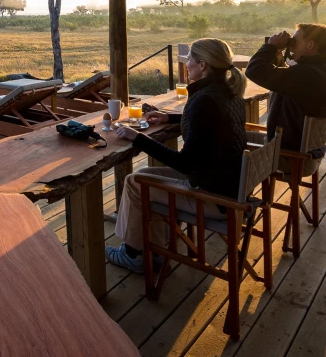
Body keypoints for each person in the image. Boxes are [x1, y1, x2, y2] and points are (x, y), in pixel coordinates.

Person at [106, 38, 247, 274]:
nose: (186, 63)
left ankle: (133, 254)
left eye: (189, 59)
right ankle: (153, 251)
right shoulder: (229, 92)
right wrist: (169, 117)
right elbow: (208, 123)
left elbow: (184, 163)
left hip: (213, 197)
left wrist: (137, 138)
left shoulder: (204, 100)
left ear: (202, 65)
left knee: (134, 183)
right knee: (143, 175)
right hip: (230, 185)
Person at [245, 23, 326, 176]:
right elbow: (283, 81)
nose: (291, 45)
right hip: (309, 153)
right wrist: (278, 55)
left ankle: (238, 189)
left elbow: (255, 70)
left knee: (229, 146)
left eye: (295, 41)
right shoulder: (318, 72)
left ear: (310, 45)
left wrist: (270, 47)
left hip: (290, 158)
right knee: (240, 137)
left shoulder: (306, 75)